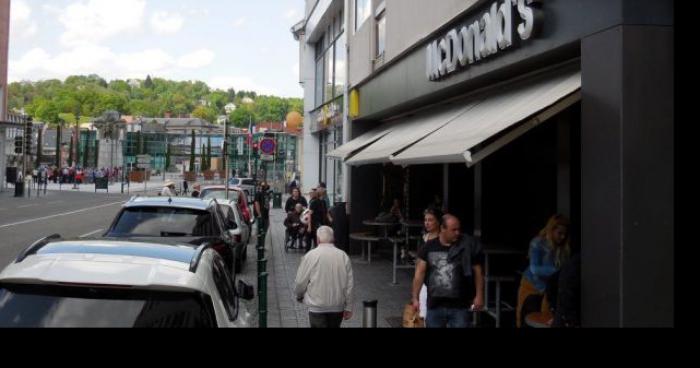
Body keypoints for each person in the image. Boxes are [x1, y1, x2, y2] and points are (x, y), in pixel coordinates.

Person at [411, 215, 485, 328]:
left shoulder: (466, 246)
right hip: (435, 305)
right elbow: (419, 274)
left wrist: (479, 295)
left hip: (460, 306)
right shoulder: (428, 247)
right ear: (442, 228)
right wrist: (415, 297)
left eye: (459, 229)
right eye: (453, 230)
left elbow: (478, 272)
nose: (457, 233)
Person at [516, 214, 571, 328]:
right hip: (531, 286)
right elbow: (534, 268)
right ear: (551, 230)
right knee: (526, 319)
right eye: (559, 233)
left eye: (564, 234)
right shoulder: (538, 242)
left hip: (548, 289)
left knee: (545, 320)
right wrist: (557, 271)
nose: (562, 237)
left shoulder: (563, 248)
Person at [294, 226, 354, 328]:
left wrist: (299, 295)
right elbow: (349, 285)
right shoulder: (343, 256)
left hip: (316, 306)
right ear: (333, 239)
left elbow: (300, 281)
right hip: (337, 306)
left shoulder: (310, 255)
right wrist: (349, 307)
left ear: (317, 240)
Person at [415, 208, 443, 322]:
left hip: (437, 282)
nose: (427, 222)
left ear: (438, 221)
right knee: (423, 314)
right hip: (424, 282)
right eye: (425, 220)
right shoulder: (424, 238)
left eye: (430, 220)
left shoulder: (442, 239)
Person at [306, 188, 328, 253]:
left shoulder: (323, 202)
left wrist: (330, 219)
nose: (325, 195)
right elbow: (309, 215)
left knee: (318, 241)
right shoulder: (314, 202)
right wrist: (309, 226)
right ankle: (308, 255)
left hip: (321, 224)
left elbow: (325, 212)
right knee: (312, 241)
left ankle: (318, 253)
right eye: (324, 193)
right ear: (321, 194)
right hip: (314, 224)